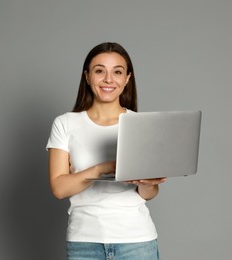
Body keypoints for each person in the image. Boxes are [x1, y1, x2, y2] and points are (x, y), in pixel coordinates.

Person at [46, 42, 166, 260]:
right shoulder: (65, 123)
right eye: (100, 71)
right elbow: (59, 188)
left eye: (117, 72)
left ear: (127, 79)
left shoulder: (140, 124)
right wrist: (104, 167)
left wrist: (149, 184)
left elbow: (147, 195)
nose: (109, 79)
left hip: (137, 242)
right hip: (84, 243)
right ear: (87, 76)